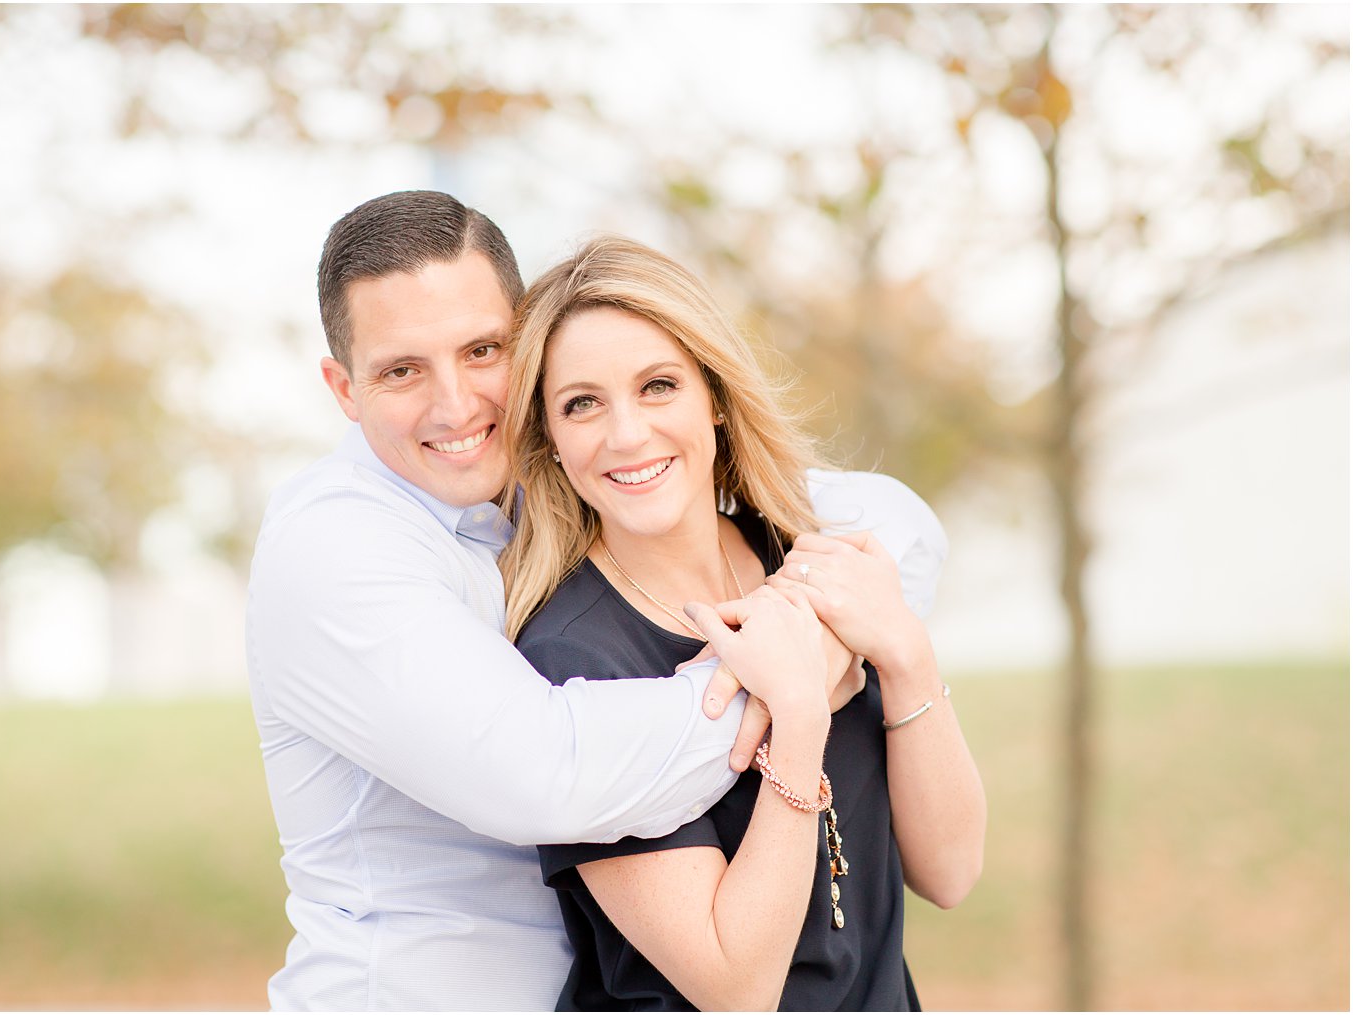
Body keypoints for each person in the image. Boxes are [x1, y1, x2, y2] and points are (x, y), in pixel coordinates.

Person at [246, 191, 952, 1010]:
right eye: (401, 370)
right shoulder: (334, 549)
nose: (456, 404)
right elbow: (550, 776)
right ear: (343, 387)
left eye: (483, 351)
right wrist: (791, 682)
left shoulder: (558, 483)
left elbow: (894, 519)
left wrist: (815, 629)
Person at [502, 235, 987, 1010]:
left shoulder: (804, 554)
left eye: (658, 386)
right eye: (582, 403)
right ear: (551, 441)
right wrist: (795, 714)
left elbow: (952, 872)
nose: (626, 434)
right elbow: (736, 985)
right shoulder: (570, 657)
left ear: (716, 399)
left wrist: (903, 651)